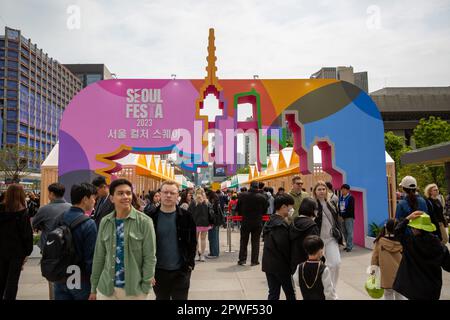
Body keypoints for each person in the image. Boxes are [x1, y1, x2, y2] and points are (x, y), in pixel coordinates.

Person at [90, 179, 156, 300]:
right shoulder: (105, 221)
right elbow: (99, 256)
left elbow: (150, 257)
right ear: (111, 198)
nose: (126, 196)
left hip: (135, 290)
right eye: (120, 193)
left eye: (128, 193)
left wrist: (146, 287)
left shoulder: (145, 222)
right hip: (107, 289)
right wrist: (93, 288)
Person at [148, 180, 197, 300]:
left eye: (172, 193)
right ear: (160, 194)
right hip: (158, 271)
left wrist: (190, 264)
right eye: (165, 192)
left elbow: (192, 243)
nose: (168, 195)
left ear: (177, 195)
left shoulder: (186, 217)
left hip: (181, 270)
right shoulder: (150, 216)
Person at [53, 183, 98, 300]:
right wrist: (94, 285)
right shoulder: (89, 224)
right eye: (93, 198)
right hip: (80, 279)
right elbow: (90, 258)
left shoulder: (60, 217)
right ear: (85, 199)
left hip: (60, 276)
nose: (94, 201)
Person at [393, 211, 450, 300]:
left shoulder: (409, 242)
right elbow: (448, 266)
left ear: (416, 229)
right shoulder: (439, 246)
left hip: (414, 289)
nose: (411, 229)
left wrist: (407, 218)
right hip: (432, 289)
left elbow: (397, 232)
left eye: (412, 227)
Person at [0, 184, 33, 300]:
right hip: (17, 252)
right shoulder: (22, 213)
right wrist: (27, 251)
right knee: (12, 280)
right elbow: (27, 235)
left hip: (1, 250)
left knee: (2, 277)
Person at [262, 193, 296, 300]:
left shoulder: (270, 221)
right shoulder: (280, 225)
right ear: (283, 207)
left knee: (273, 293)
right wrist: (291, 263)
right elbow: (283, 246)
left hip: (269, 264)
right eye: (290, 206)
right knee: (290, 293)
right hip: (281, 265)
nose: (292, 209)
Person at [313, 181, 343, 288]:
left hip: (331, 238)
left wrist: (340, 237)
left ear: (326, 191)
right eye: (319, 189)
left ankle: (332, 289)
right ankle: (322, 288)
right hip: (317, 240)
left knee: (336, 263)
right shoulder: (313, 205)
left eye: (323, 189)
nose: (321, 191)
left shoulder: (331, 204)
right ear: (315, 192)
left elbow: (337, 221)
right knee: (318, 267)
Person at [370, 219, 405, 300]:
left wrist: (373, 275)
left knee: (388, 294)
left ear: (386, 228)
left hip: (386, 277)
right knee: (400, 295)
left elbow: (374, 260)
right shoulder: (402, 241)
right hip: (400, 276)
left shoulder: (380, 242)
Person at [236, 181, 269, 266]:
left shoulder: (242, 195)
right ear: (257, 187)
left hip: (245, 221)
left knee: (243, 241)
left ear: (250, 186)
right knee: (255, 241)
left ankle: (242, 259)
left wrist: (241, 214)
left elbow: (238, 208)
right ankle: (254, 260)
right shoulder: (262, 197)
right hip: (257, 221)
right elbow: (265, 208)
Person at [32, 183, 71, 252]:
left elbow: (33, 224)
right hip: (66, 246)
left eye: (48, 193)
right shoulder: (71, 207)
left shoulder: (44, 209)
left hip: (48, 246)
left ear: (52, 194)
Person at [298, 235, 337, 300]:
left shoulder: (299, 267)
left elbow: (297, 282)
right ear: (320, 251)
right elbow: (329, 292)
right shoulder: (324, 269)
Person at [290, 197, 320, 275]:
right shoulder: (312, 226)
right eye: (316, 209)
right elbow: (315, 247)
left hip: (294, 263)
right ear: (312, 210)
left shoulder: (293, 223)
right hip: (309, 265)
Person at [188, 188, 212, 262]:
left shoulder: (193, 202)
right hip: (205, 223)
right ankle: (202, 255)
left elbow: (189, 213)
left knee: (195, 240)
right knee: (203, 239)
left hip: (195, 223)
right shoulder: (207, 202)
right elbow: (210, 213)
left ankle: (196, 255)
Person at [339, 184, 355, 252]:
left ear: (348, 190)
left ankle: (350, 246)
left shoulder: (351, 198)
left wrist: (343, 216)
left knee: (349, 232)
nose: (342, 191)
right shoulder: (341, 197)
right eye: (342, 189)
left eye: (344, 189)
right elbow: (339, 207)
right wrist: (340, 215)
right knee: (344, 232)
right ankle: (347, 245)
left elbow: (350, 209)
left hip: (349, 217)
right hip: (342, 217)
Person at [206, 191, 223, 258]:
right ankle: (214, 252)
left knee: (213, 238)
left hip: (213, 223)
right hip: (216, 223)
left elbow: (211, 214)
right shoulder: (216, 202)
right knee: (215, 238)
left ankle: (214, 253)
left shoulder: (212, 203)